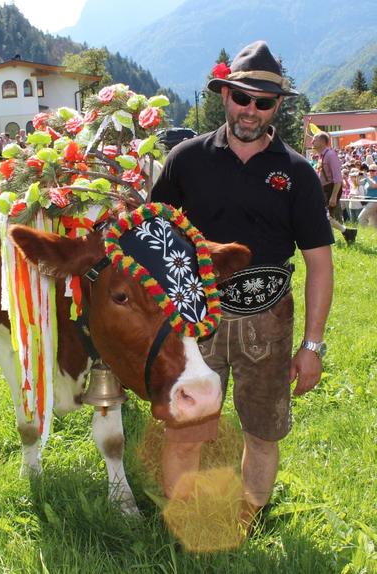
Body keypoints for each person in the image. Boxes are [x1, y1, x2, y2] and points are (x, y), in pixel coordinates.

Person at [151, 41, 334, 531]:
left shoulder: (298, 172)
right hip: (195, 319)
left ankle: (248, 515)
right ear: (224, 95)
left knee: (262, 429)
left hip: (269, 324)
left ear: (277, 107)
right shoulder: (185, 160)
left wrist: (312, 345)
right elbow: (152, 237)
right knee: (186, 422)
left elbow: (319, 262)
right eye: (242, 98)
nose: (250, 110)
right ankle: (182, 517)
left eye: (264, 101)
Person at [312, 132, 357, 243]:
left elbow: (338, 178)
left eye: (315, 139)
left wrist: (333, 196)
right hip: (325, 189)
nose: (312, 141)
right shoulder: (321, 156)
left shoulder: (331, 155)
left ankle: (346, 232)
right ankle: (340, 235)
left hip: (331, 189)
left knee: (322, 215)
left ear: (322, 142)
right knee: (325, 216)